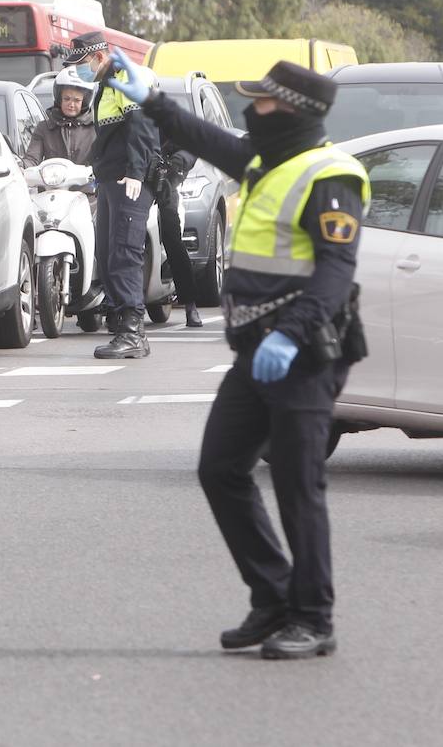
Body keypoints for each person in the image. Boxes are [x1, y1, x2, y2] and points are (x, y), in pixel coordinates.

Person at [106, 50, 370, 660]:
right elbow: (202, 134)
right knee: (220, 469)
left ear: (294, 112)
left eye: (264, 100)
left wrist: (291, 333)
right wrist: (150, 97)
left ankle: (313, 616)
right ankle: (273, 596)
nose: (253, 109)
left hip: (303, 352)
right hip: (255, 348)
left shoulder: (329, 175)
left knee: (300, 487)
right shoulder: (266, 160)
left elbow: (335, 274)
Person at [64, 32, 161, 358]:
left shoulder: (124, 78)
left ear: (98, 56)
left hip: (129, 181)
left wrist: (136, 172)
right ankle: (123, 325)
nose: (79, 71)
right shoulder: (106, 84)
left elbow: (142, 127)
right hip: (111, 180)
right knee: (107, 254)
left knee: (124, 253)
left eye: (81, 64)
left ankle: (132, 332)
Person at [152, 135, 204, 327]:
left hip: (165, 182)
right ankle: (112, 303)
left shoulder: (166, 116)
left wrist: (177, 164)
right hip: (133, 181)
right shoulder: (126, 114)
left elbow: (190, 145)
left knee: (173, 238)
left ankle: (190, 304)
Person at [23, 66, 96, 167]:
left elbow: (105, 160)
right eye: (67, 99)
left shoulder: (96, 128)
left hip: (88, 182)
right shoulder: (44, 128)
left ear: (85, 101)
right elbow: (32, 159)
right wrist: (22, 167)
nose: (71, 104)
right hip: (52, 181)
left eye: (77, 100)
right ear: (59, 98)